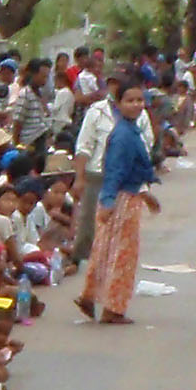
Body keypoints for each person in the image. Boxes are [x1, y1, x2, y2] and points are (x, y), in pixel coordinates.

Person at [77, 84, 160, 326]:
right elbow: (114, 170)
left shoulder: (130, 130)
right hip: (123, 199)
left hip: (125, 195)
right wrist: (109, 201)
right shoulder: (124, 135)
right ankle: (113, 308)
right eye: (130, 100)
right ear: (119, 103)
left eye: (139, 100)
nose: (136, 105)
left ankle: (90, 295)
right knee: (123, 256)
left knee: (105, 250)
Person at [71, 77, 116, 263]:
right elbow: (84, 146)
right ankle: (82, 259)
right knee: (89, 222)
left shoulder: (137, 114)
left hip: (121, 177)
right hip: (96, 174)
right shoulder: (96, 112)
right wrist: (79, 178)